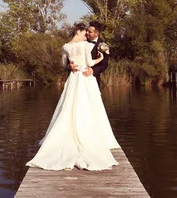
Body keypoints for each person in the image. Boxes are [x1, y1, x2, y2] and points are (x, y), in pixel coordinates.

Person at [26, 22, 119, 171]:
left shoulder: (103, 45)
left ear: (97, 33)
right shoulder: (85, 44)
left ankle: (100, 136)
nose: (87, 34)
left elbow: (105, 65)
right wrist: (71, 66)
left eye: (90, 32)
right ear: (81, 32)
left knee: (91, 107)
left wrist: (93, 71)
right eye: (86, 31)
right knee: (77, 105)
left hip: (90, 78)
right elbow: (71, 62)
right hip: (81, 78)